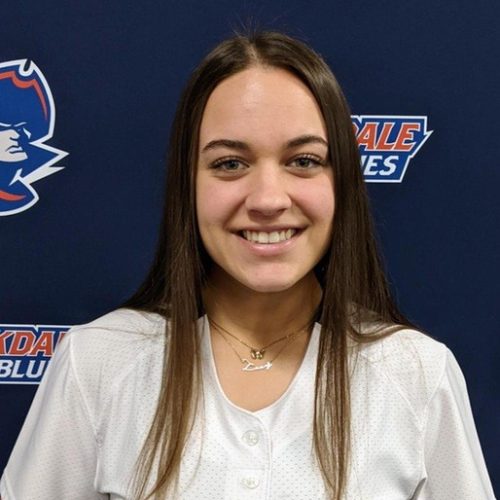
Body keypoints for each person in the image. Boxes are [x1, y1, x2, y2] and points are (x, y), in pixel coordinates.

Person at [0, 31, 495, 500]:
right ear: (187, 185)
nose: (267, 199)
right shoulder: (97, 363)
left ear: (341, 181)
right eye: (230, 164)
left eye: (303, 161)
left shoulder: (416, 374)